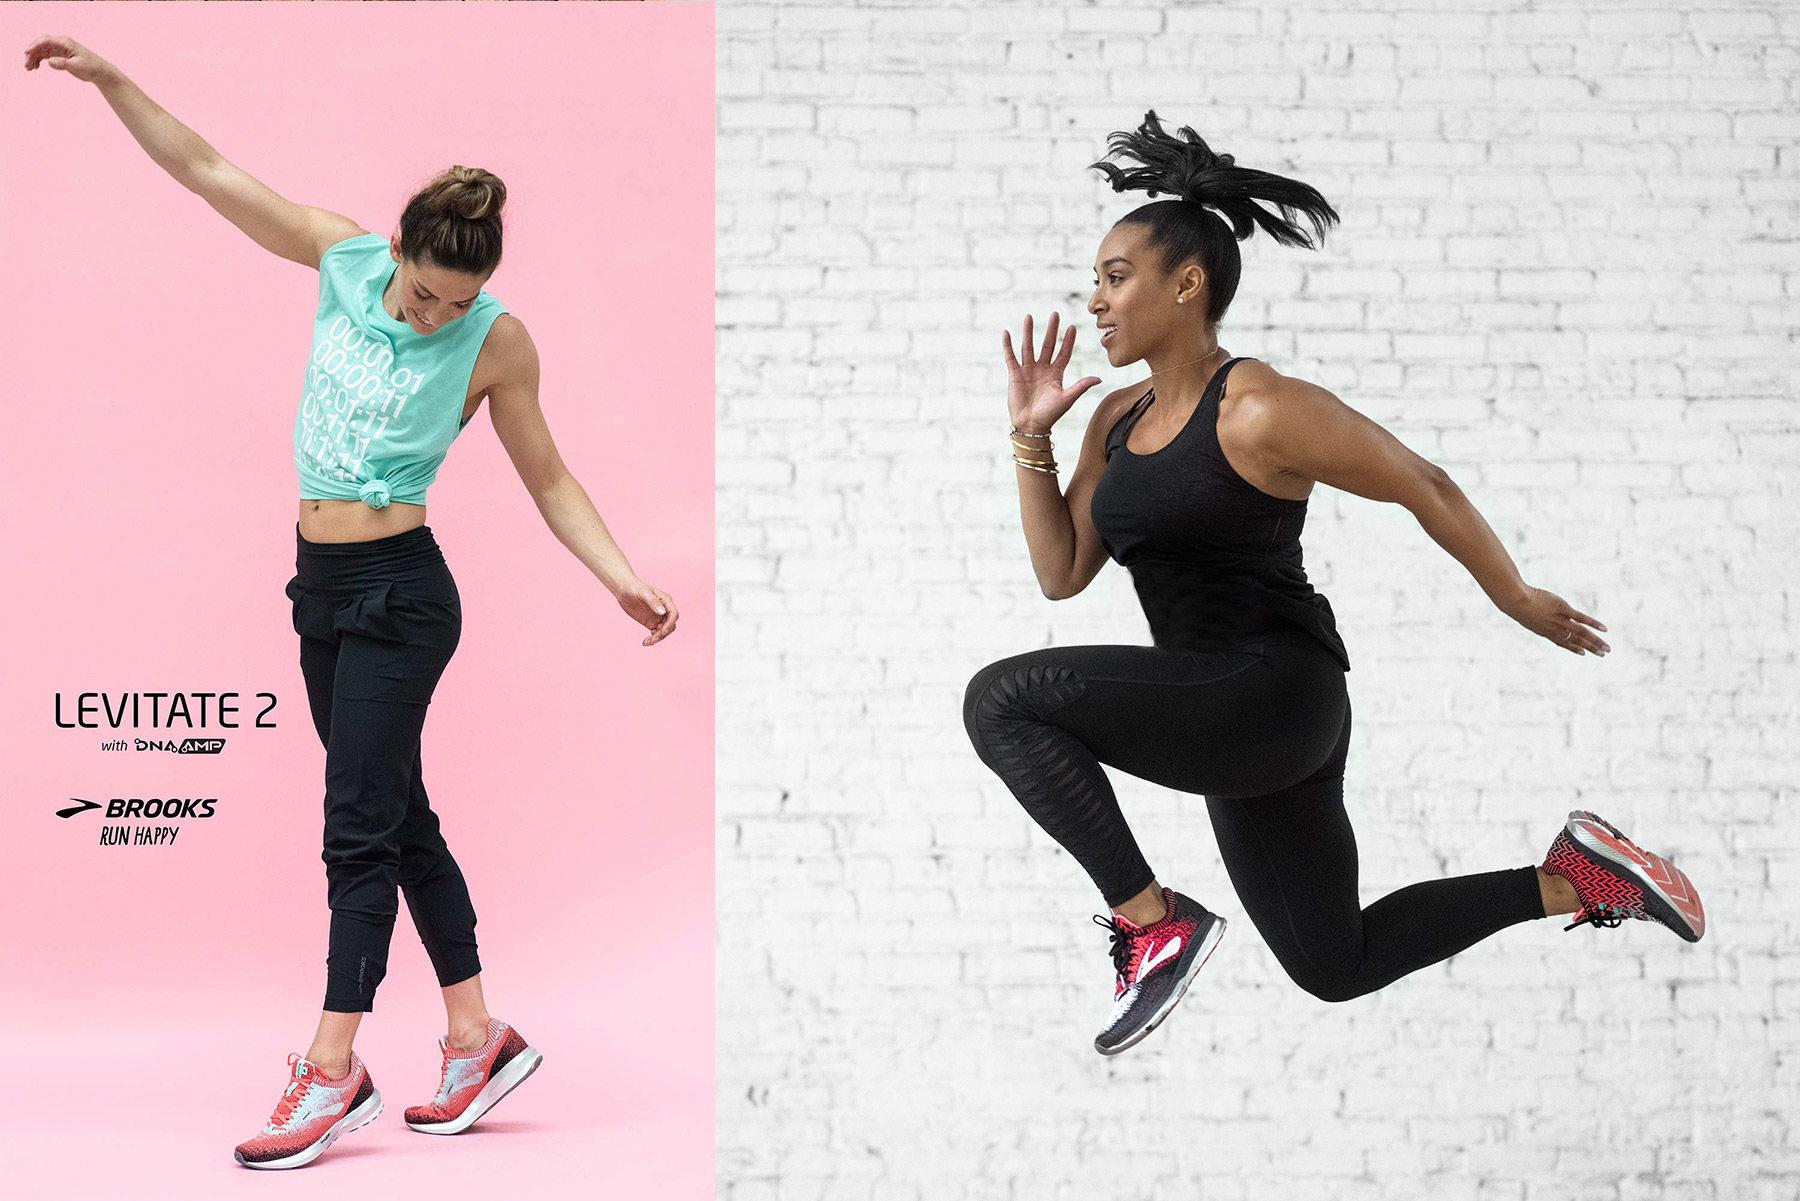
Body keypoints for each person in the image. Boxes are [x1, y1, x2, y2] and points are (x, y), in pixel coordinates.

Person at [26, 35, 682, 1166]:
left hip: (402, 596)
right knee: (394, 809)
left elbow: (549, 477)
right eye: (424, 292)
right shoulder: (340, 258)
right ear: (399, 250)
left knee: (356, 826)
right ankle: (477, 1037)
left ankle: (331, 1067)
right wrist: (117, 83)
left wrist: (620, 574)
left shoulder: (497, 340)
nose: (434, 317)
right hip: (320, 588)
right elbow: (210, 174)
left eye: (455, 302)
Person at [962, 110, 1705, 1057]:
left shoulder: (1259, 407)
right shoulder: (1115, 417)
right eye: (1095, 281)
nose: (1095, 301)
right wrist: (1030, 436)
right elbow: (1062, 572)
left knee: (1002, 701)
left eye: (1115, 277)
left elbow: (1421, 480)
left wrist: (1515, 596)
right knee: (1334, 960)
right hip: (1216, 711)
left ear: (1186, 284)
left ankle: (1153, 926)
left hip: (1276, 693)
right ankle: (1580, 878)